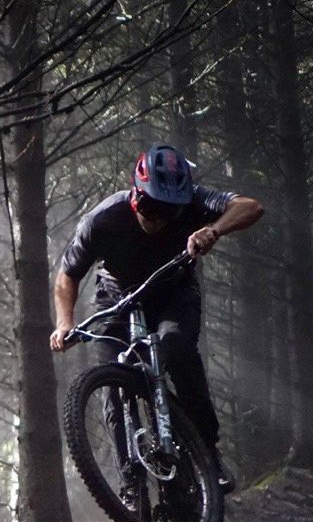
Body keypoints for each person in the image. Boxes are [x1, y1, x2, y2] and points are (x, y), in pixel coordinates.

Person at [50, 143, 264, 493]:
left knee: (176, 347)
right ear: (135, 195)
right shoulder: (103, 219)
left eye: (169, 211)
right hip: (118, 300)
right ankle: (129, 482)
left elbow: (250, 207)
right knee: (112, 381)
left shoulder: (195, 200)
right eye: (150, 207)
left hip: (173, 294)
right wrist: (64, 322)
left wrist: (214, 229)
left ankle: (207, 453)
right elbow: (67, 275)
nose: (157, 218)